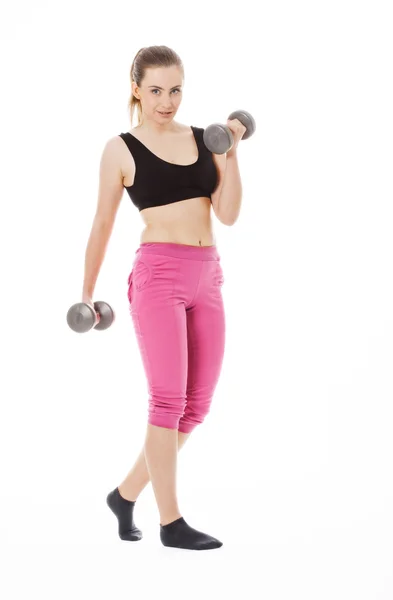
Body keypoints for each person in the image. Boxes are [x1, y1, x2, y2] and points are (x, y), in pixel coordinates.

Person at [81, 45, 246, 550]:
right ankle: (171, 523)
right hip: (159, 277)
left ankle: (124, 495)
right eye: (155, 90)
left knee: (196, 406)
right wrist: (85, 295)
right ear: (136, 88)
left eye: (175, 90)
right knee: (168, 400)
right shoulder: (121, 148)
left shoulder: (204, 139)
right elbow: (104, 222)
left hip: (207, 274)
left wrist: (231, 152)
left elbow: (229, 213)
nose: (166, 101)